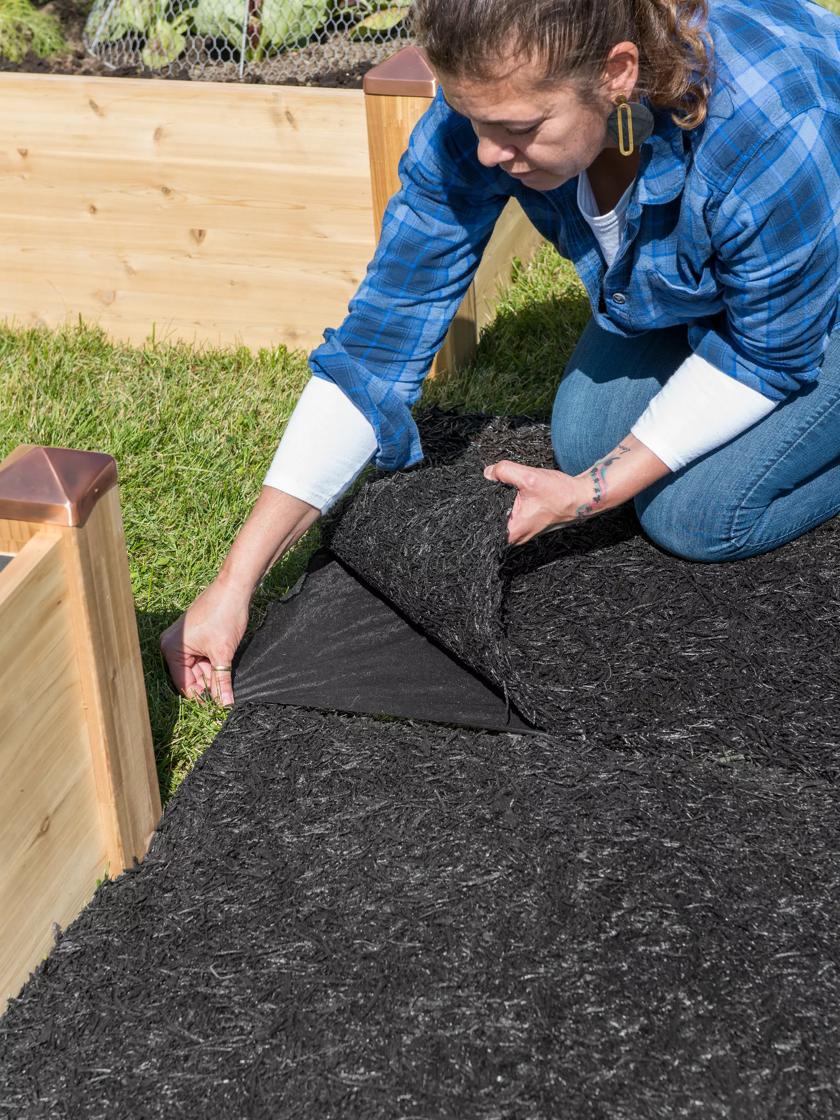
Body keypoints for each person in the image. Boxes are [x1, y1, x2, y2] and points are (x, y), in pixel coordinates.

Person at [161, 0, 840, 708]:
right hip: (747, 275)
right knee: (586, 435)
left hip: (819, 278)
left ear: (616, 73)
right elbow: (374, 353)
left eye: (518, 129)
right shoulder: (490, 116)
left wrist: (588, 494)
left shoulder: (764, 126)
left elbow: (766, 355)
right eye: (471, 118)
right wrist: (233, 583)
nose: (487, 154)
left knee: (696, 515)